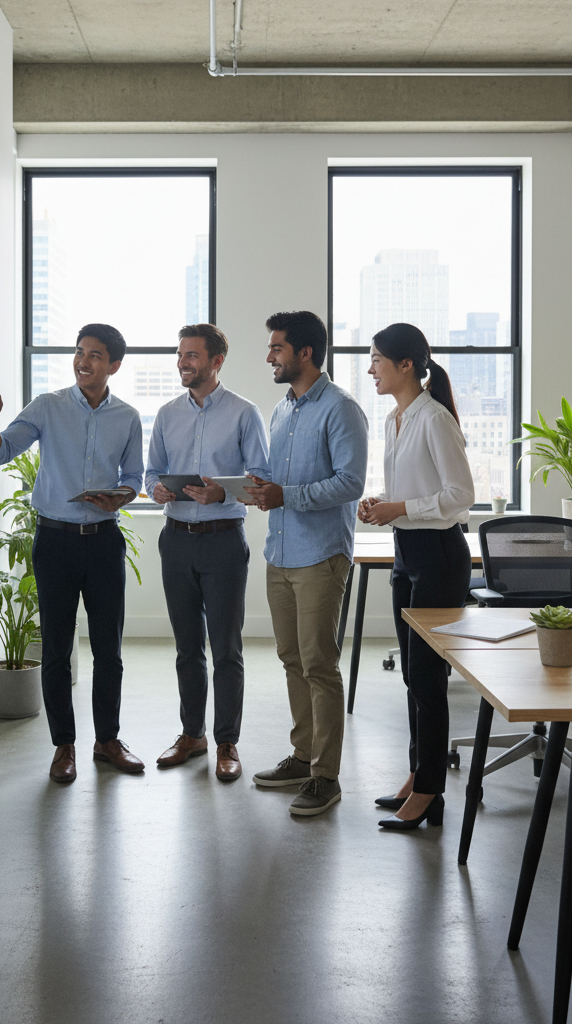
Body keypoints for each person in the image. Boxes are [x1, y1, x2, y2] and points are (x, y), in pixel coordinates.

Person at [0, 324, 145, 784]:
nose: (82, 361)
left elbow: (135, 476)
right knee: (55, 648)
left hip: (105, 541)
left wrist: (122, 496)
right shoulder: (47, 407)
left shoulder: (127, 417)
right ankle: (63, 746)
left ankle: (107, 741)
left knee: (108, 650)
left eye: (94, 355)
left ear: (113, 365)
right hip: (54, 542)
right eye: (78, 352)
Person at [245, 311, 368, 817]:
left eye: (277, 348)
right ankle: (302, 756)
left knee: (320, 664)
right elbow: (279, 480)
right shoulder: (282, 410)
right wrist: (258, 487)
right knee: (292, 658)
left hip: (321, 555)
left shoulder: (341, 409)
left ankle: (326, 776)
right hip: (281, 552)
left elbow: (350, 483)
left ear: (305, 353)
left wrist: (285, 494)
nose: (270, 356)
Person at [357, 322, 474, 830]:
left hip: (440, 556)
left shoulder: (434, 419)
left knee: (428, 677)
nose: (371, 368)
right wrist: (382, 504)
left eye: (378, 359)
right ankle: (417, 773)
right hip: (406, 550)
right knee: (410, 674)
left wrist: (400, 506)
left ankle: (430, 790)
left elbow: (460, 497)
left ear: (406, 365)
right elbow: (413, 488)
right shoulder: (395, 419)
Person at [145, 324, 270, 781]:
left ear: (216, 362)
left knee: (226, 648)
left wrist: (222, 494)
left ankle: (226, 742)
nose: (183, 362)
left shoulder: (244, 413)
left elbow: (259, 479)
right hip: (175, 538)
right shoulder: (165, 414)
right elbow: (152, 470)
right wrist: (156, 488)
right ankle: (192, 734)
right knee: (186, 647)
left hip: (222, 539)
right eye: (180, 355)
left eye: (192, 356)